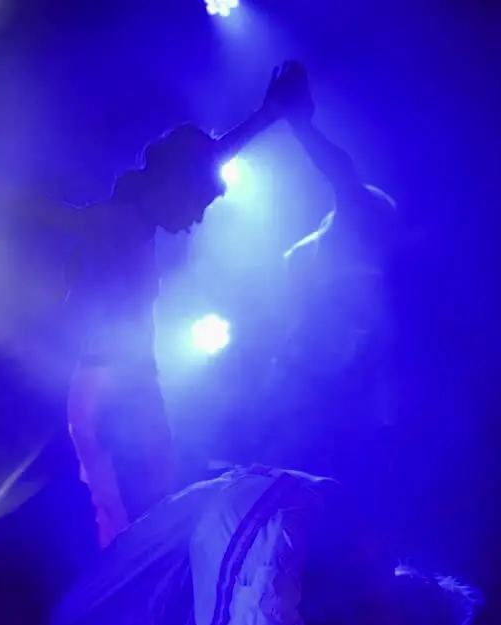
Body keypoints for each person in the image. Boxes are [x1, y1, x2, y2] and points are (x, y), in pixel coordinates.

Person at [25, 62, 313, 550]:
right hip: (107, 390)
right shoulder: (118, 222)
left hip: (130, 378)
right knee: (128, 512)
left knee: (154, 503)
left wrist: (270, 114)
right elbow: (51, 215)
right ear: (175, 189)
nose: (197, 221)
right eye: (199, 206)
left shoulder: (144, 209)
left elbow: (212, 157)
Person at [47, 463, 481, 625]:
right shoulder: (376, 580)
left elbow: (305, 604)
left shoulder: (356, 604)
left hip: (238, 506)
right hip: (264, 506)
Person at [267, 63, 407, 485]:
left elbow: (342, 172)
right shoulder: (310, 266)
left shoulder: (357, 225)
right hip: (322, 390)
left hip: (339, 388)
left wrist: (302, 126)